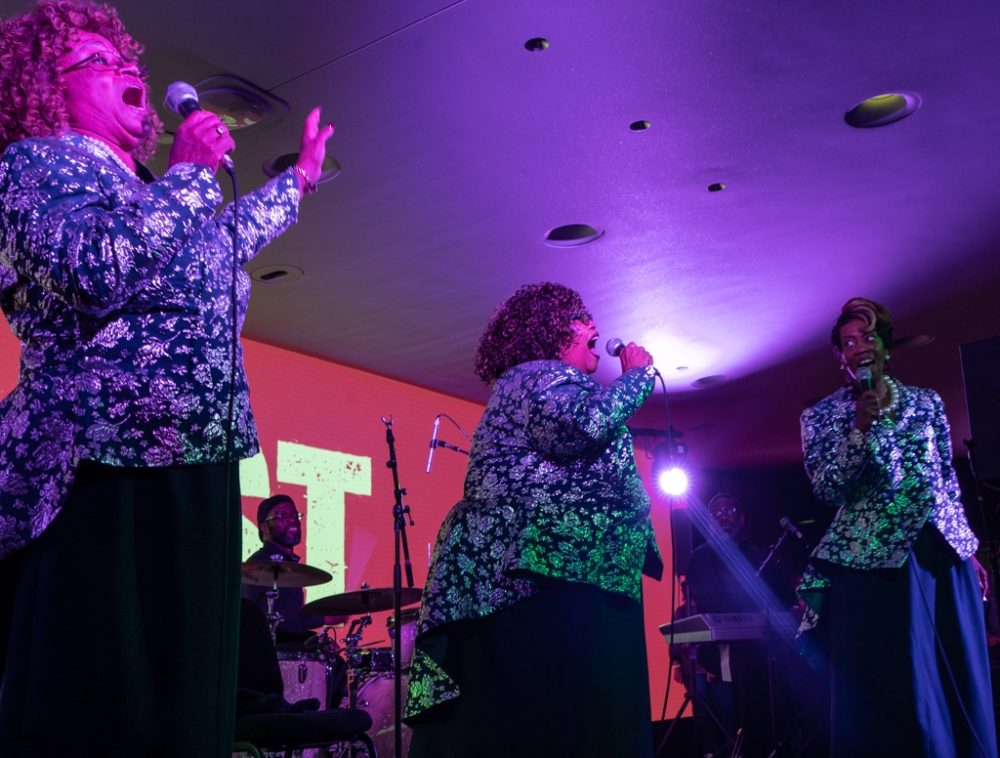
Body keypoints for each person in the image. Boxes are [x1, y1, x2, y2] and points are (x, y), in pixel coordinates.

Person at [0, 2, 334, 755]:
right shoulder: (35, 164)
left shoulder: (151, 187)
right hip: (108, 457)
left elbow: (226, 239)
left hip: (197, 452)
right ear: (47, 89)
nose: (126, 72)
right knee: (114, 692)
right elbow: (90, 269)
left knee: (185, 696)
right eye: (97, 61)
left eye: (127, 63)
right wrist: (186, 175)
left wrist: (302, 180)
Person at [404, 282, 663, 757]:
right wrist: (638, 377)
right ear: (551, 330)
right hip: (534, 582)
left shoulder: (549, 382)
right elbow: (579, 425)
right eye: (581, 318)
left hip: (572, 574)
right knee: (547, 723)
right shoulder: (534, 376)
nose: (596, 328)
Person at [796, 297, 996, 758]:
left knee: (958, 675)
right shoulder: (821, 416)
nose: (859, 347)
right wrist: (859, 431)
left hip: (939, 553)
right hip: (874, 562)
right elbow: (827, 488)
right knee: (901, 686)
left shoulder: (927, 401)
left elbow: (944, 478)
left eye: (867, 337)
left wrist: (966, 547)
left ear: (885, 344)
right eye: (848, 342)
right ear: (838, 358)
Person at [683, 493, 776, 758]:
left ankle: (770, 744)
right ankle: (744, 746)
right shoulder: (700, 557)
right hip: (720, 647)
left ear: (742, 518)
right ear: (708, 522)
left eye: (730, 510)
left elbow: (779, 596)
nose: (724, 515)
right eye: (717, 512)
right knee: (744, 666)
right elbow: (712, 602)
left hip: (762, 645)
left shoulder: (759, 556)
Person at [244, 494, 326, 643]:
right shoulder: (262, 566)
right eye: (282, 515)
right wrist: (325, 616)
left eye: (294, 514)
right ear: (264, 527)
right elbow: (287, 623)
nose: (292, 519)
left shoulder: (288, 566)